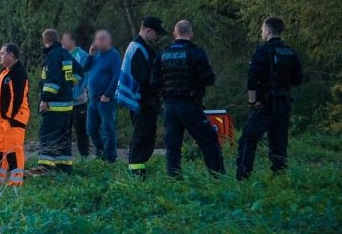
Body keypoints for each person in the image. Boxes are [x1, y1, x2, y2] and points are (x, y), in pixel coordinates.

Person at [151, 20, 224, 178]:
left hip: (169, 106)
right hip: (189, 104)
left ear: (174, 34)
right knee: (209, 141)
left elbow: (154, 83)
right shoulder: (196, 52)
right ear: (191, 34)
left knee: (173, 147)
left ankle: (174, 180)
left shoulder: (162, 54)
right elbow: (209, 79)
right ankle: (218, 178)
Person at [236, 17, 303, 180]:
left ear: (267, 30)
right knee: (279, 143)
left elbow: (252, 77)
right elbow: (298, 80)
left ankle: (243, 178)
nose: (261, 32)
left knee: (248, 139)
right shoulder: (290, 52)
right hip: (284, 104)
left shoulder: (262, 51)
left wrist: (252, 101)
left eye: (262, 29)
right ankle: (279, 178)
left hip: (265, 104)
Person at [116, 16, 168, 178]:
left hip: (143, 101)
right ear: (148, 30)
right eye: (156, 34)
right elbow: (144, 79)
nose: (158, 38)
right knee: (142, 137)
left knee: (145, 137)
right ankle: (136, 174)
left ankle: (138, 171)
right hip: (143, 102)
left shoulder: (141, 47)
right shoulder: (138, 49)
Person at [37, 29, 84, 175]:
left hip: (54, 105)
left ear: (45, 40)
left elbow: (52, 81)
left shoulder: (52, 55)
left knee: (47, 134)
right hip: (67, 105)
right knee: (64, 136)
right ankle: (64, 167)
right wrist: (69, 85)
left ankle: (46, 167)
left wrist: (45, 99)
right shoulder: (65, 54)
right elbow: (79, 71)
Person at [0, 43, 30, 186]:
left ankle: (15, 180)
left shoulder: (18, 73)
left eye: (2, 53)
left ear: (11, 55)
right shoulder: (4, 72)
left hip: (13, 119)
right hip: (0, 120)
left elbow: (17, 97)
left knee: (14, 149)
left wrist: (9, 116)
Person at [83, 30, 121, 163]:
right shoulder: (96, 55)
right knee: (91, 128)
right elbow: (85, 68)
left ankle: (110, 157)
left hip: (106, 99)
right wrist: (90, 55)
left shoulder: (114, 55)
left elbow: (116, 76)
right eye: (97, 39)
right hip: (93, 99)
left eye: (101, 39)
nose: (98, 42)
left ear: (108, 41)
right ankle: (101, 150)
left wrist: (108, 94)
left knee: (107, 129)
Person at [62, 31, 90, 157]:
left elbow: (85, 74)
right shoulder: (61, 55)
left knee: (81, 130)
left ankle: (84, 156)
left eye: (65, 39)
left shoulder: (82, 55)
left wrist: (78, 91)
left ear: (73, 41)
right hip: (64, 101)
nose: (63, 42)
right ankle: (65, 157)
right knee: (64, 131)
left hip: (79, 101)